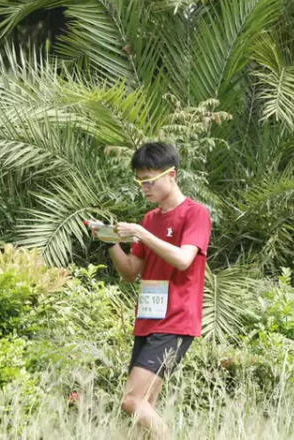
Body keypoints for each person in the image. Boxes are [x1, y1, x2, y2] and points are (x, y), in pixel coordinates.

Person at [98, 142, 212, 438]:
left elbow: (184, 260)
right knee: (145, 404)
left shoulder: (195, 214)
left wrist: (141, 233)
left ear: (172, 175)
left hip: (176, 320)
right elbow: (130, 273)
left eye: (149, 180)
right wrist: (111, 241)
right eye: (140, 181)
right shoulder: (150, 219)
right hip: (148, 320)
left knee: (131, 400)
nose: (143, 187)